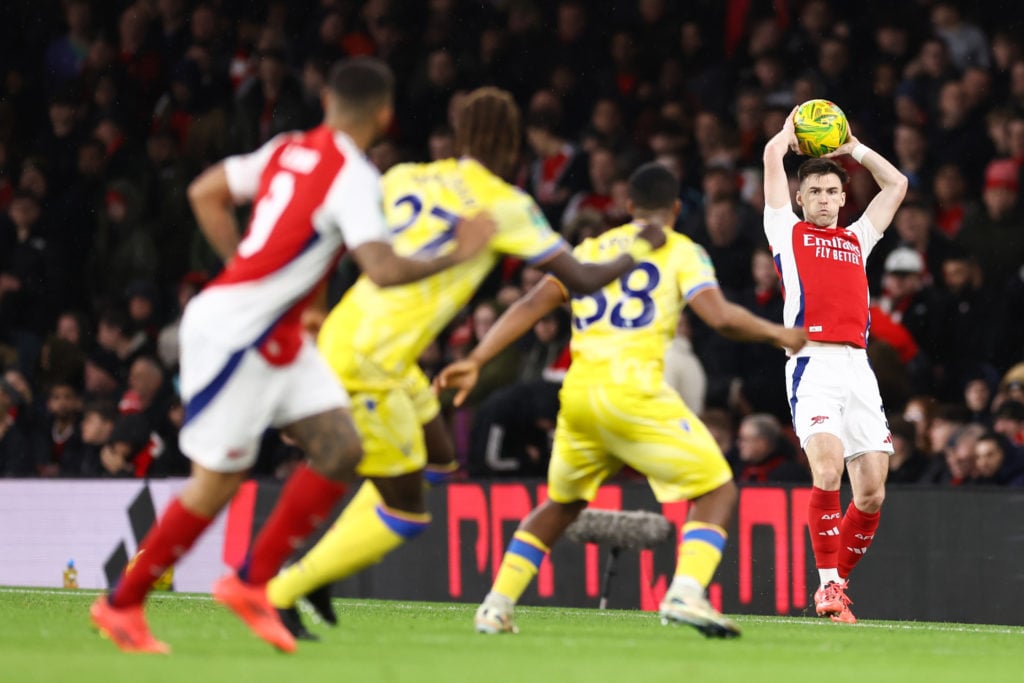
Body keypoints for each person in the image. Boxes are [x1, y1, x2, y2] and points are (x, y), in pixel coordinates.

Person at [88, 57, 495, 655]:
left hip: (274, 332)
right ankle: (121, 603)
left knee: (342, 447)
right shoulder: (354, 175)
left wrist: (255, 274)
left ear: (327, 100)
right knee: (214, 487)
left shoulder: (287, 147)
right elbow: (381, 270)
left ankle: (252, 582)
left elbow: (207, 193)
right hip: (236, 335)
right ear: (384, 115)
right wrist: (458, 252)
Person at [263, 87, 667, 637]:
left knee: (439, 455)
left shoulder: (407, 175)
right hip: (372, 360)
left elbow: (331, 231)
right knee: (406, 511)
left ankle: (318, 575)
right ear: (512, 142)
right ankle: (289, 586)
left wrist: (306, 312)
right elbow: (585, 280)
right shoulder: (506, 205)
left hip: (363, 337)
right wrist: (641, 242)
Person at [438, 163, 806, 638]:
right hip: (633, 392)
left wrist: (477, 357)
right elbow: (720, 317)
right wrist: (780, 333)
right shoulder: (680, 249)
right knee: (717, 489)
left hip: (579, 396)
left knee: (562, 503)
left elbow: (530, 305)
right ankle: (686, 590)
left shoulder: (589, 250)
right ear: (676, 209)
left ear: (627, 207)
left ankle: (495, 604)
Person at [762, 108, 908, 623]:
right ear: (800, 199)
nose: (823, 200)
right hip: (812, 363)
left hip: (858, 368)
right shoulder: (787, 232)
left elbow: (897, 184)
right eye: (814, 193)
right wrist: (786, 135)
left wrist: (853, 148)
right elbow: (771, 157)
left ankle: (836, 585)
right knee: (826, 469)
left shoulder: (857, 240)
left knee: (870, 492)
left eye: (831, 192)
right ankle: (828, 589)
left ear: (843, 198)